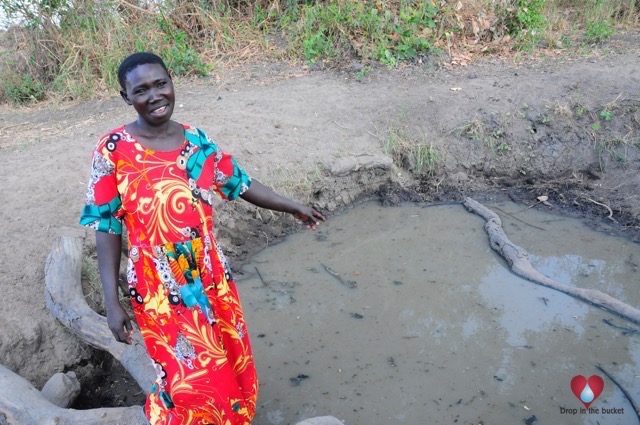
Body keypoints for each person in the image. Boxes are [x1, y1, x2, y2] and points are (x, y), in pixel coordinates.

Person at [80, 52, 325, 425]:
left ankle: (231, 416)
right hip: (160, 282)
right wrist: (112, 304)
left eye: (160, 83)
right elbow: (106, 227)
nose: (155, 95)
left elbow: (240, 183)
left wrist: (294, 207)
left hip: (209, 271)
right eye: (141, 90)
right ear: (125, 97)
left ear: (171, 82)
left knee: (227, 351)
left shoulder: (196, 141)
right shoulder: (113, 150)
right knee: (190, 372)